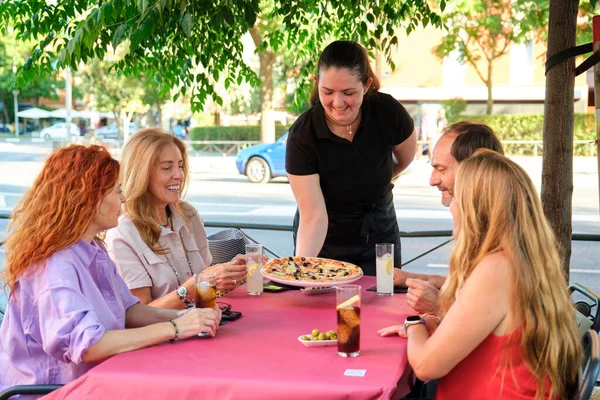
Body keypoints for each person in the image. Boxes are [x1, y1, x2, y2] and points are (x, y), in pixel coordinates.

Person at [0, 145, 220, 391]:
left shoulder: (91, 247)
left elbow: (128, 310)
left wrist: (186, 316)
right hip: (54, 391)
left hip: (102, 379)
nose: (124, 199)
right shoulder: (55, 265)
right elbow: (88, 345)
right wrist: (176, 328)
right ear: (88, 198)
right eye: (117, 191)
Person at [380, 149, 581, 400]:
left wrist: (414, 324)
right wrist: (437, 325)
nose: (452, 206)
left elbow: (425, 367)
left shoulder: (497, 268)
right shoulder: (524, 258)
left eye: (455, 197)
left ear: (474, 208)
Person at [286, 40, 417, 276]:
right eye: (327, 92)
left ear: (366, 85)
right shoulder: (303, 134)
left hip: (378, 231)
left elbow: (405, 159)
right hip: (324, 238)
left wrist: (368, 181)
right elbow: (313, 216)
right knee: (322, 306)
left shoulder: (388, 112)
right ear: (317, 84)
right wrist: (303, 271)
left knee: (383, 302)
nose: (338, 103)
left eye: (348, 93)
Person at [105, 129, 248, 309]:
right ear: (140, 173)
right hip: (165, 334)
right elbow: (139, 315)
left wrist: (230, 272)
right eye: (167, 168)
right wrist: (192, 287)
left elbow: (206, 286)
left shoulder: (189, 215)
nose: (179, 175)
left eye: (180, 166)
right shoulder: (122, 233)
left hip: (205, 324)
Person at [393, 121, 504, 314]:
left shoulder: (499, 242)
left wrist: (438, 307)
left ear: (475, 171)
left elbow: (488, 316)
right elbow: (473, 289)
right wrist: (418, 279)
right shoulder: (496, 221)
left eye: (442, 170)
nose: (432, 180)